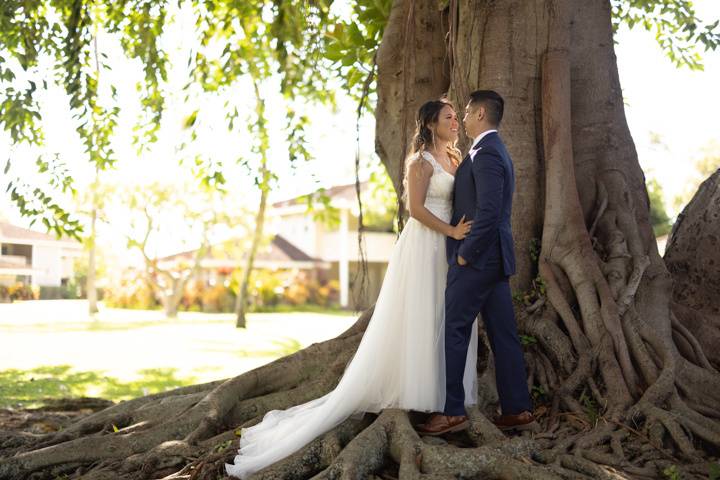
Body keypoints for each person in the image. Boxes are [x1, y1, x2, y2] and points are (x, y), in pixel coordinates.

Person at [226, 98, 479, 479]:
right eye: (448, 117)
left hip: (450, 248)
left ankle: (444, 395)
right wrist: (451, 231)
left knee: (444, 317)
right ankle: (419, 394)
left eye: (457, 117)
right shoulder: (420, 162)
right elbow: (415, 209)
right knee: (421, 314)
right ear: (430, 123)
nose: (456, 122)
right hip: (425, 243)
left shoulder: (456, 158)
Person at [417, 90, 538, 436]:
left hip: (478, 260)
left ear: (481, 114)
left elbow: (488, 212)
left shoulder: (485, 154)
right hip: (495, 260)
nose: (464, 117)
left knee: (454, 330)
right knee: (503, 334)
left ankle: (452, 411)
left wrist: (466, 253)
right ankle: (517, 409)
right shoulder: (492, 151)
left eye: (468, 111)